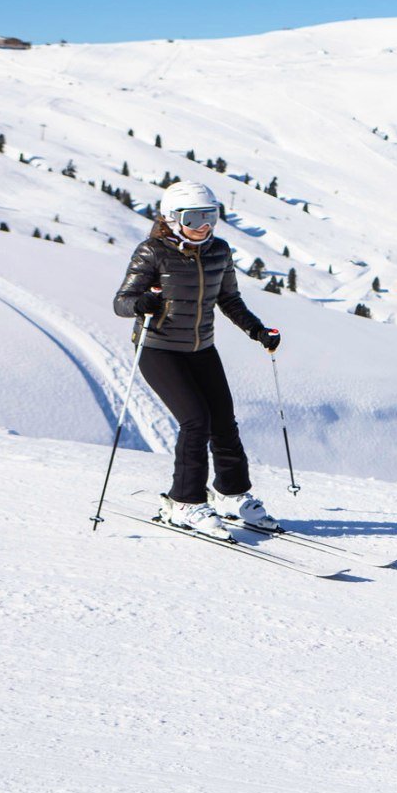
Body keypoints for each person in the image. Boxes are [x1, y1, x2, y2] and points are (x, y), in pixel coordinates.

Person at [113, 181, 282, 538]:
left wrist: (257, 331)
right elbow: (122, 301)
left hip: (201, 348)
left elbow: (230, 301)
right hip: (159, 350)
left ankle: (230, 494)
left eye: (211, 216)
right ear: (173, 219)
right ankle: (184, 502)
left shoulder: (218, 251)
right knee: (195, 421)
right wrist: (141, 304)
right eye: (195, 217)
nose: (205, 225)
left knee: (223, 421)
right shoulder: (153, 252)